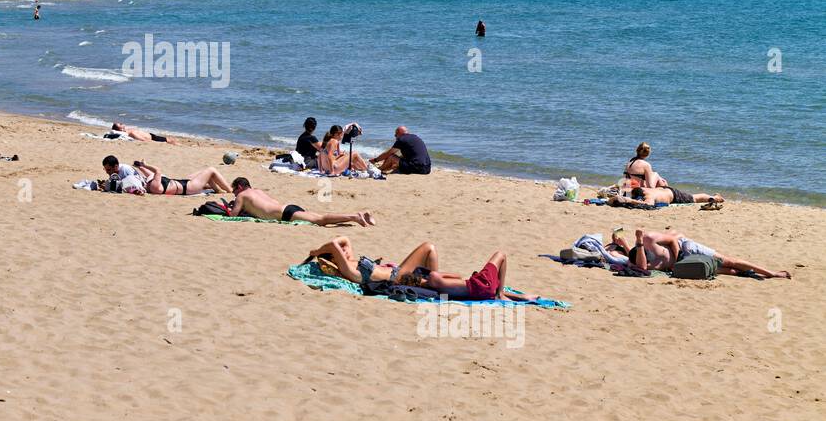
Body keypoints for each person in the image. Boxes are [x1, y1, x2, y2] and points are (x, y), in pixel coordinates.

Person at [304, 236, 538, 302]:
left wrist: (342, 251)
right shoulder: (351, 272)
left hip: (402, 275)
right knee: (429, 247)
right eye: (341, 256)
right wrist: (316, 253)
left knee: (432, 253)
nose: (345, 252)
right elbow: (336, 244)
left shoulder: (352, 260)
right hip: (398, 278)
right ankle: (439, 289)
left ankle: (438, 287)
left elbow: (344, 241)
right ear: (335, 260)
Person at [627, 230, 790, 279]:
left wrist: (676, 259)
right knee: (726, 271)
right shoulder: (641, 263)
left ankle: (772, 273)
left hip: (686, 250)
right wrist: (634, 244)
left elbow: (672, 241)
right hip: (683, 265)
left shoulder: (649, 239)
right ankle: (748, 274)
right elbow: (640, 266)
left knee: (728, 261)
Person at [227, 177, 373, 226]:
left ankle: (355, 216)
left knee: (321, 220)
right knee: (320, 217)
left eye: (234, 191)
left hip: (285, 214)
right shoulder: (257, 191)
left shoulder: (241, 196)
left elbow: (233, 216)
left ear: (239, 187)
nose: (234, 195)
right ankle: (360, 215)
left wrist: (233, 206)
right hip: (288, 207)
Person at [130, 160, 232, 196]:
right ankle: (230, 190)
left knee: (203, 173)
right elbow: (157, 171)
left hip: (183, 183)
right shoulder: (154, 186)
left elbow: (150, 175)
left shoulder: (151, 185)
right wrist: (146, 164)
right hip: (189, 187)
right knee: (211, 170)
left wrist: (140, 167)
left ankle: (218, 189)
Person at [110, 122, 177, 143]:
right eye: (120, 124)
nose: (122, 124)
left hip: (152, 135)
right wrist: (150, 141)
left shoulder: (128, 130)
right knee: (170, 141)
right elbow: (142, 139)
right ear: (120, 129)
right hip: (153, 138)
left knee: (170, 139)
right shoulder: (131, 133)